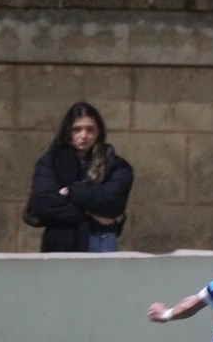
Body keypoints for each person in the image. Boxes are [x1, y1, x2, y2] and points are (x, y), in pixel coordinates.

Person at [25, 102, 134, 252]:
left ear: (98, 131)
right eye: (77, 129)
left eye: (90, 129)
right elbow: (42, 204)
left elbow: (112, 201)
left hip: (100, 241)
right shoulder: (50, 162)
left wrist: (71, 191)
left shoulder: (115, 165)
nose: (84, 136)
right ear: (67, 131)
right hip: (60, 242)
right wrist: (90, 214)